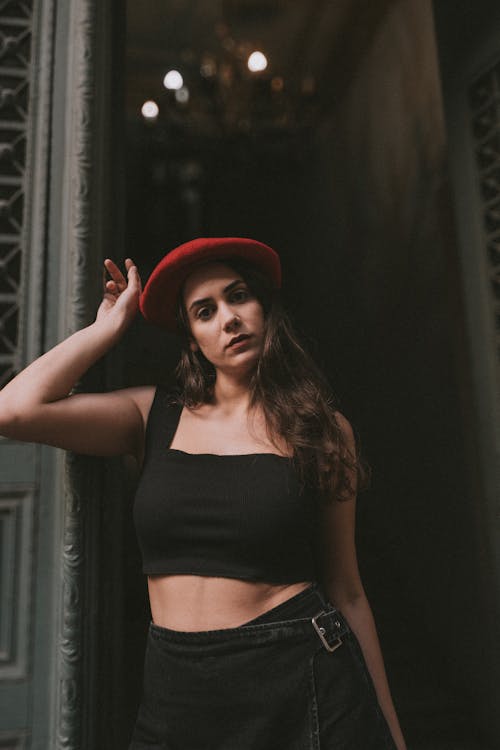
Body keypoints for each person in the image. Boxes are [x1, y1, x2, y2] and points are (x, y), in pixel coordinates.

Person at [0, 236, 407, 749]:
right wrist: (107, 330)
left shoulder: (322, 430)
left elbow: (347, 590)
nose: (229, 319)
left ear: (263, 306)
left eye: (239, 296)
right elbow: (13, 409)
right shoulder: (152, 415)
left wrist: (389, 727)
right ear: (191, 338)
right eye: (205, 311)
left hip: (296, 674)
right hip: (175, 689)